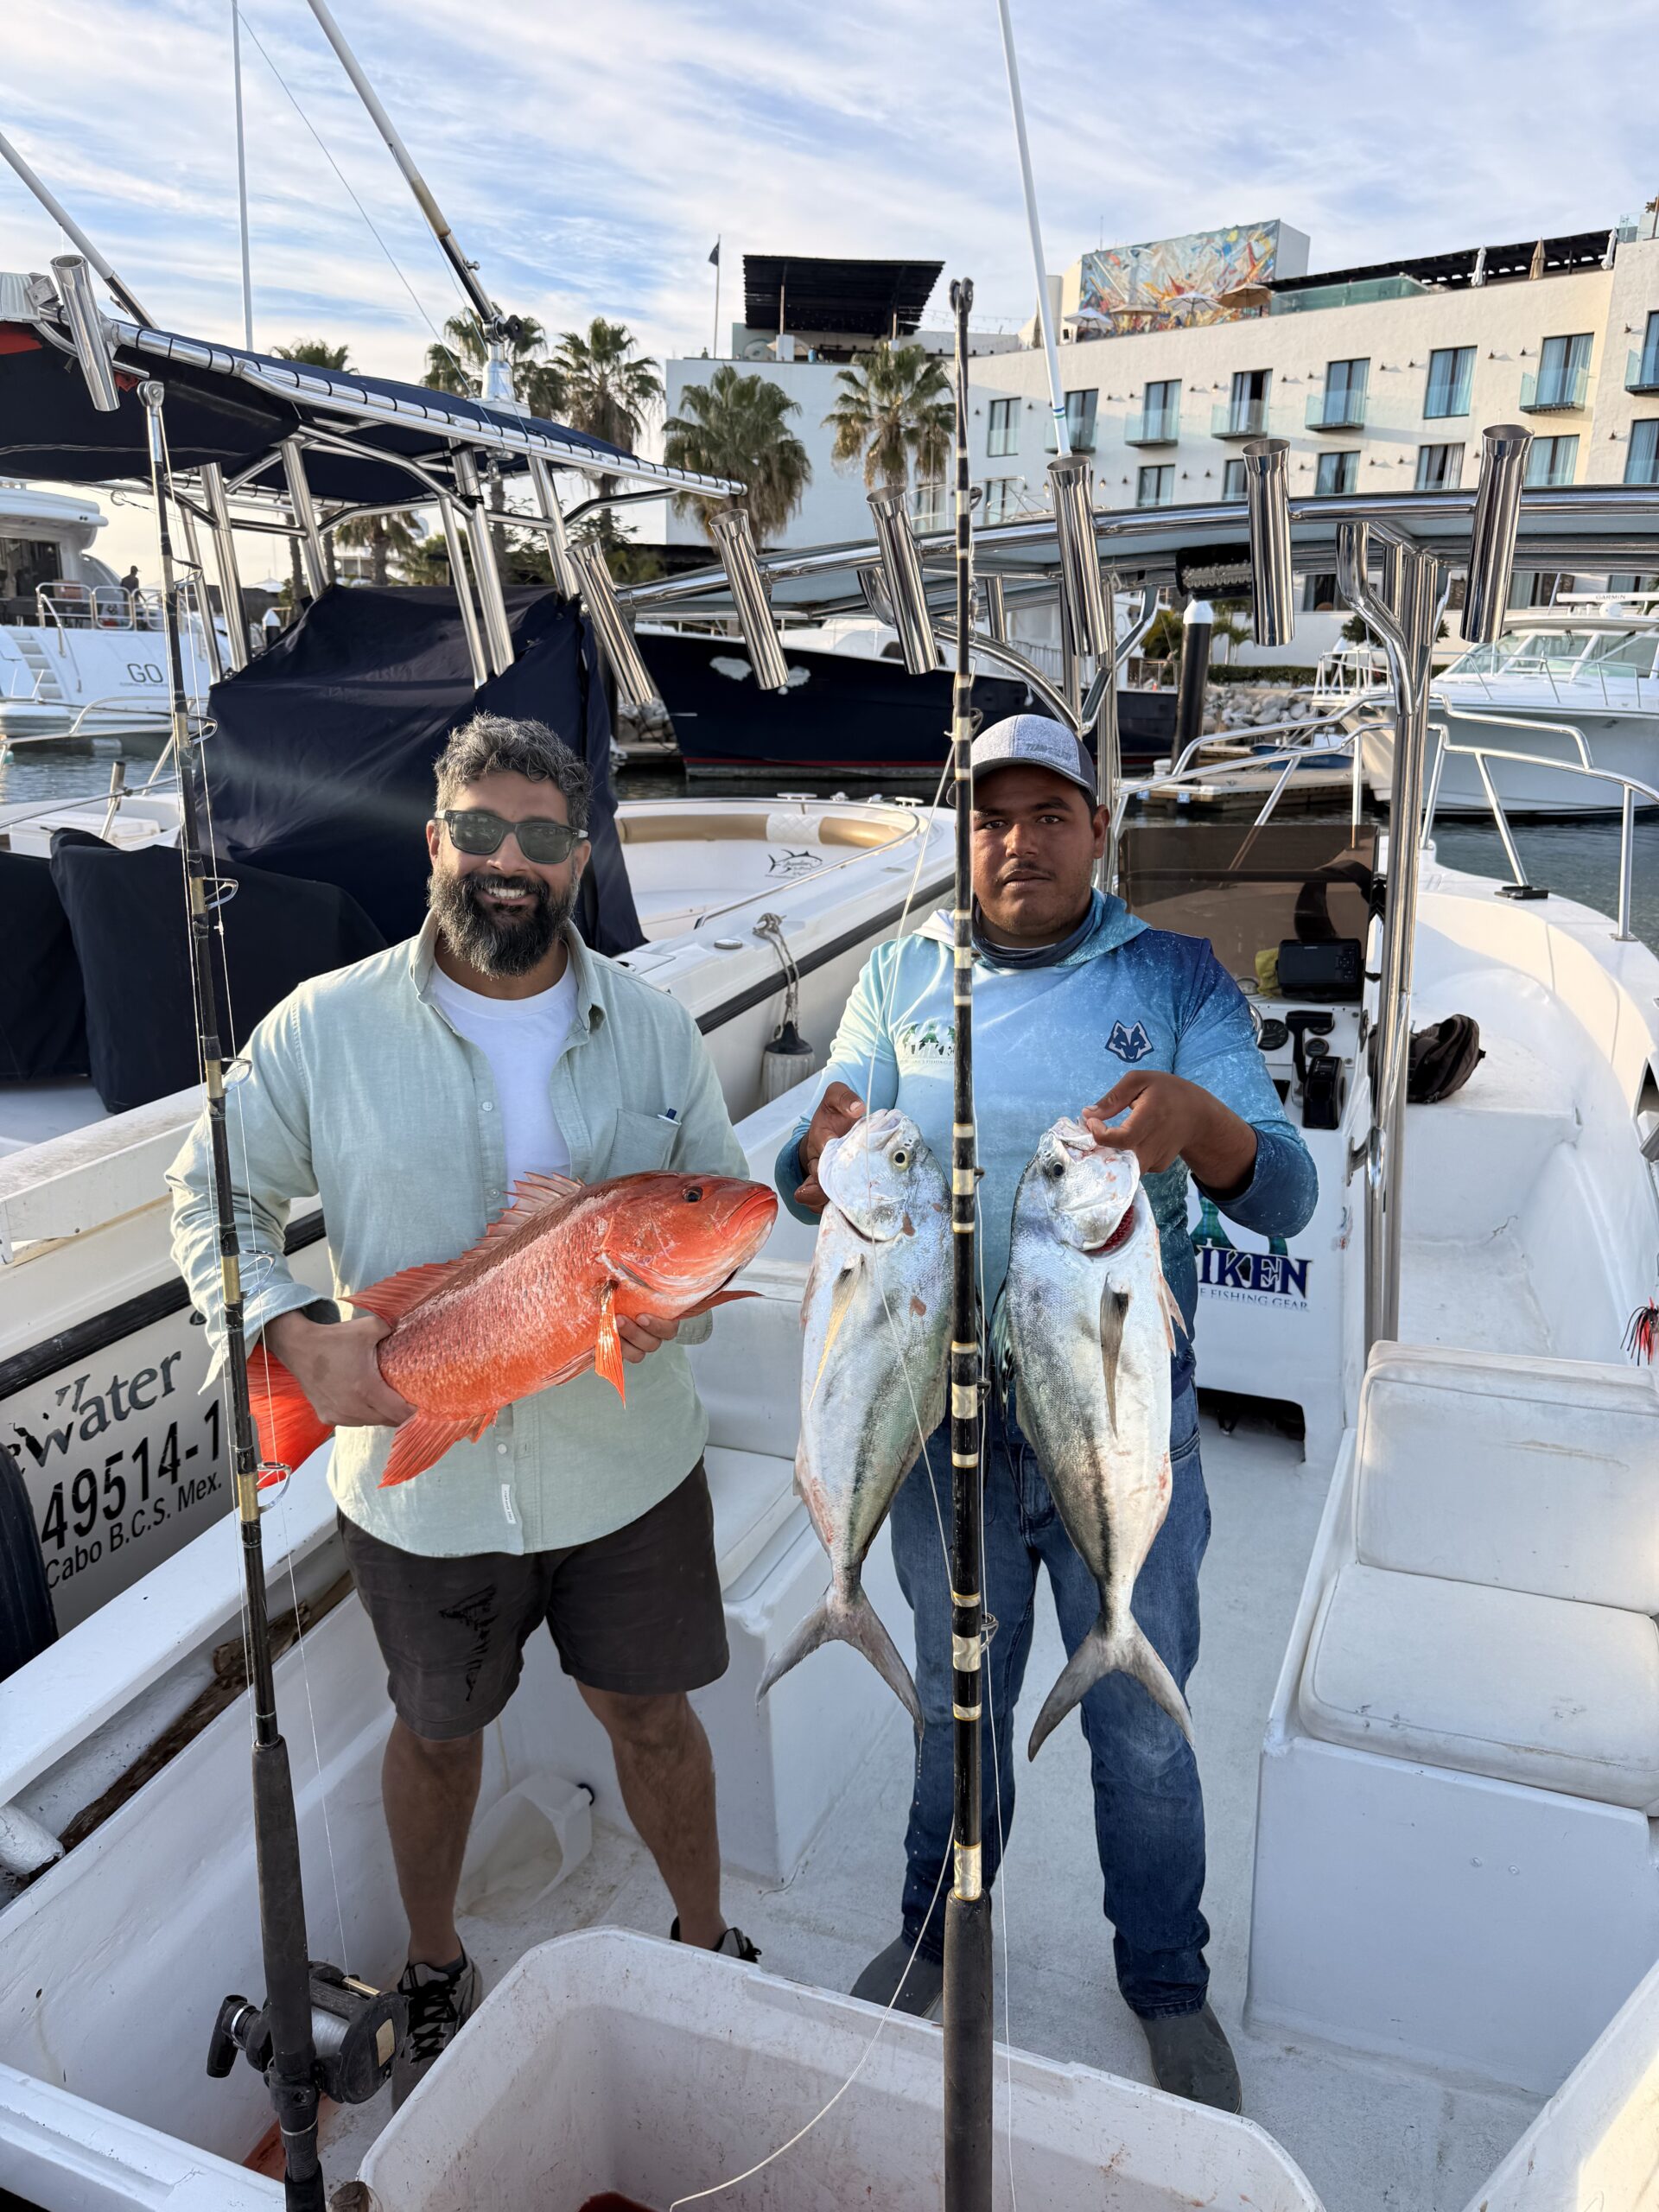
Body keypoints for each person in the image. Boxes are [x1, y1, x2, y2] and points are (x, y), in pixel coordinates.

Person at [170, 712, 760, 2105]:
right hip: (422, 1476)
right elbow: (213, 1192)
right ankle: (434, 1961)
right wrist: (292, 1338)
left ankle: (704, 1937)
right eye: (481, 831)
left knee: (657, 1719)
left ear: (578, 859)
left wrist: (680, 1293)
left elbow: (720, 1200)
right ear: (435, 841)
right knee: (437, 1733)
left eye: (544, 838)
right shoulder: (323, 1027)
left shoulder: (658, 1025)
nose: (510, 861)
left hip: (627, 1471)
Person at [776, 714, 1317, 2113]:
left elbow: (1289, 1195)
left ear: (1099, 830)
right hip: (934, 1430)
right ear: (969, 839)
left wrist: (1199, 1121)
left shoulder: (1179, 976)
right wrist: (816, 1144)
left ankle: (1167, 1978)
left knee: (1142, 1721)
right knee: (957, 1715)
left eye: (1048, 815)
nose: (1018, 842)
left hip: (1123, 1421)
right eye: (992, 819)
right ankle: (935, 1927)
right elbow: (817, 1165)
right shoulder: (902, 971)